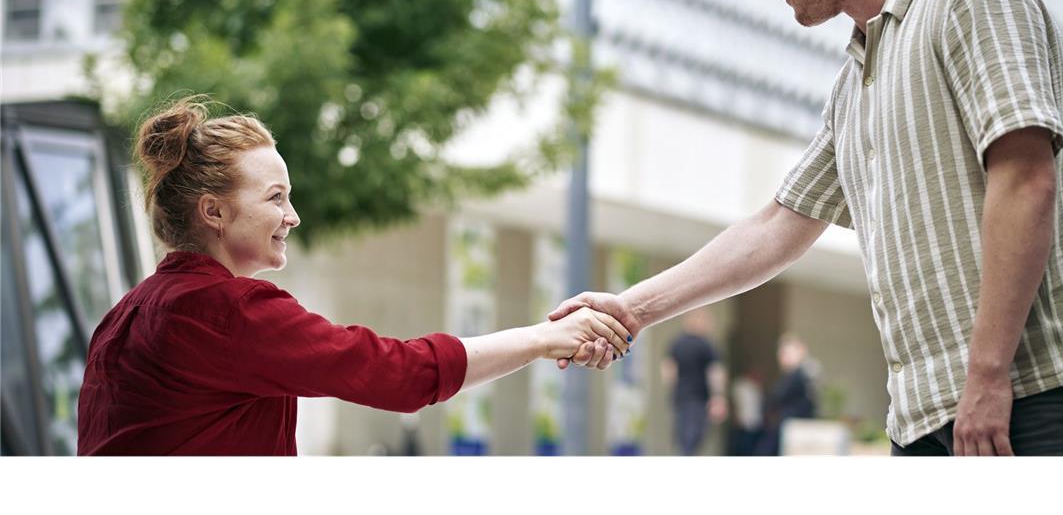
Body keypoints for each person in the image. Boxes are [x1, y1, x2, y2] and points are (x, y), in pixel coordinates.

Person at [550, 0, 1063, 456]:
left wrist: (988, 375)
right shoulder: (855, 83)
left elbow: (1025, 179)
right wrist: (631, 309)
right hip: (930, 408)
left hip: (1032, 388)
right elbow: (779, 224)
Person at [77, 96, 630, 455]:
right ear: (213, 212)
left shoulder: (123, 317)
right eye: (275, 198)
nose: (292, 216)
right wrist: (542, 338)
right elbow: (400, 374)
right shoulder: (225, 312)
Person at [661, 308, 727, 454]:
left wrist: (677, 389)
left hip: (680, 399)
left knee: (683, 441)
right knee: (693, 442)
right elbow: (715, 372)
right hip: (698, 400)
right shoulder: (706, 345)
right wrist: (718, 397)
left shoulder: (676, 343)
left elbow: (668, 372)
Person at [756, 333, 817, 455]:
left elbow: (777, 398)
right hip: (782, 428)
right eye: (781, 353)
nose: (782, 357)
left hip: (790, 430)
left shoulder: (802, 375)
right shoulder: (790, 376)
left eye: (786, 353)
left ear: (800, 352)